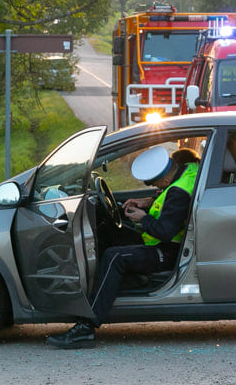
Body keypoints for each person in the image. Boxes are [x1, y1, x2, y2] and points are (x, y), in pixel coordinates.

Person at [46, 147, 200, 349]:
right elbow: (171, 204)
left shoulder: (178, 192)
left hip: (169, 251)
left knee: (114, 256)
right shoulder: (188, 169)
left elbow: (165, 231)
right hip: (158, 243)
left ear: (163, 181)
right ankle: (121, 282)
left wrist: (143, 219)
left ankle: (86, 326)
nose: (157, 189)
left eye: (156, 186)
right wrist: (148, 202)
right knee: (108, 230)